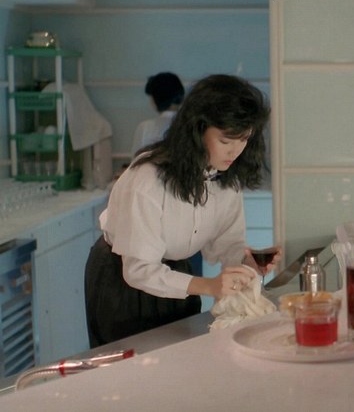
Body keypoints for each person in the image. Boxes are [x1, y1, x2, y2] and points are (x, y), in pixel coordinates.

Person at [85, 74, 281, 347]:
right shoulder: (148, 179)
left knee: (178, 360)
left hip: (175, 272)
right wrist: (209, 286)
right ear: (197, 131)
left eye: (245, 139)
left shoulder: (225, 177)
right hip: (123, 278)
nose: (235, 151)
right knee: (131, 366)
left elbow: (227, 246)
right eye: (226, 141)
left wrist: (248, 263)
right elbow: (138, 270)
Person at [131, 72, 185, 155]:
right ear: (181, 96)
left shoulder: (145, 128)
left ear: (153, 99)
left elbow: (136, 160)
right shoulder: (191, 126)